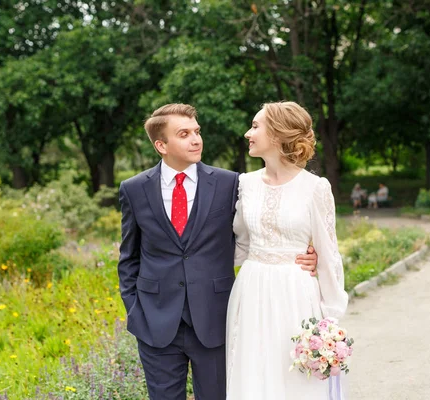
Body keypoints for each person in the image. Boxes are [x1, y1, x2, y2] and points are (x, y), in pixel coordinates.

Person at [117, 103, 319, 400]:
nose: (196, 139)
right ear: (161, 145)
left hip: (215, 320)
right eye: (184, 134)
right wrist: (136, 310)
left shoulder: (230, 183)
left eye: (197, 131)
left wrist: (302, 254)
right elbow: (129, 257)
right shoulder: (134, 189)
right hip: (155, 323)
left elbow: (258, 233)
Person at [227, 101, 349, 399]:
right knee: (252, 373)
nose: (248, 134)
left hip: (295, 293)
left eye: (255, 126)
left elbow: (329, 255)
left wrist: (330, 321)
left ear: (279, 134)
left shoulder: (315, 188)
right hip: (251, 289)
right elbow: (240, 243)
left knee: (295, 378)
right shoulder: (245, 184)